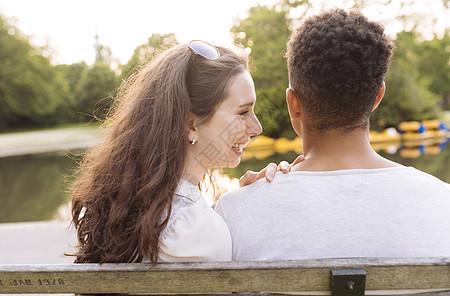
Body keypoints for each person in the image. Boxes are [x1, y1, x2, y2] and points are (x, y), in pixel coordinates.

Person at [215, 9, 450, 261]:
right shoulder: (444, 202)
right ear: (377, 97)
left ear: (293, 103)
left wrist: (251, 197)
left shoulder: (232, 214)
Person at [70, 40, 285, 264]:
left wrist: (241, 203)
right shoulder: (200, 232)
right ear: (191, 124)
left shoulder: (125, 213)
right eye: (243, 112)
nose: (257, 127)